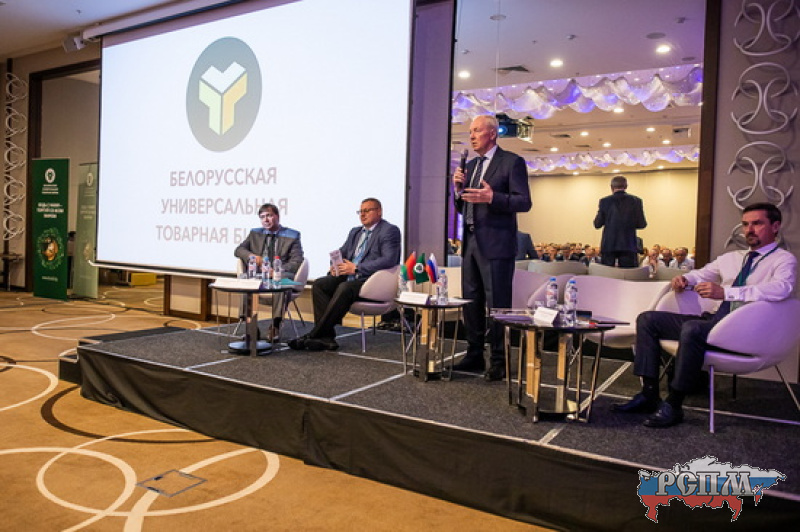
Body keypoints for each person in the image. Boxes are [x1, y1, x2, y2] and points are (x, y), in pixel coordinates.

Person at [613, 203, 796, 428]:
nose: (749, 230)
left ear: (775, 226)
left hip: (745, 330)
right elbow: (700, 274)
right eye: (746, 224)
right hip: (714, 321)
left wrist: (726, 292)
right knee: (648, 319)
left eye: (757, 223)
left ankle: (674, 404)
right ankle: (649, 394)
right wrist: (684, 279)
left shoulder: (783, 260)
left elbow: (782, 289)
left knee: (693, 328)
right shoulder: (732, 257)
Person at [452, 114, 532, 381]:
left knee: (497, 304)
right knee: (471, 301)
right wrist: (457, 191)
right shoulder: (471, 166)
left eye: (476, 131)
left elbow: (524, 202)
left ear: (493, 134)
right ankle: (474, 354)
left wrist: (493, 197)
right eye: (470, 131)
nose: (471, 136)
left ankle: (499, 360)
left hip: (497, 245)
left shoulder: (511, 162)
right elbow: (464, 207)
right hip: (470, 243)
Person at [288, 198, 401, 351]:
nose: (362, 214)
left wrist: (357, 268)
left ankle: (314, 335)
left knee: (344, 288)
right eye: (360, 211)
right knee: (320, 284)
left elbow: (389, 259)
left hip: (371, 280)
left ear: (379, 212)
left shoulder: (389, 230)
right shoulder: (355, 232)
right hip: (349, 276)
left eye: (367, 211)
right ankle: (326, 338)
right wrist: (335, 265)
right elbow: (342, 252)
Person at [235, 203, 304, 340]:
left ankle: (276, 325)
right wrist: (252, 257)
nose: (266, 220)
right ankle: (251, 326)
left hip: (280, 274)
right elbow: (239, 250)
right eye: (262, 217)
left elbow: (297, 261)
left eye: (269, 216)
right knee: (245, 281)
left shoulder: (292, 235)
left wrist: (277, 271)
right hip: (259, 275)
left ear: (277, 216)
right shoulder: (255, 233)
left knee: (280, 282)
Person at [593, 175, 647, 268]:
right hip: (628, 244)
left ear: (611, 187)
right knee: (628, 274)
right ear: (626, 186)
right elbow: (642, 224)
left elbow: (597, 224)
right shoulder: (636, 201)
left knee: (607, 274)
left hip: (609, 244)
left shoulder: (604, 201)